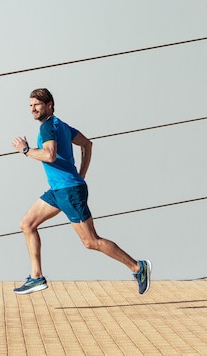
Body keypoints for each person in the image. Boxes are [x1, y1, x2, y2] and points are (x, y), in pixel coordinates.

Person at [11, 88, 151, 295]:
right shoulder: (61, 125)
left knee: (90, 241)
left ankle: (138, 268)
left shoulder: (49, 127)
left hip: (69, 191)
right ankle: (36, 277)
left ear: (49, 105)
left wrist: (26, 150)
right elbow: (87, 144)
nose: (32, 109)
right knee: (27, 224)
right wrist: (81, 174)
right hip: (59, 190)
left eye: (37, 105)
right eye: (30, 105)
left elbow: (50, 155)